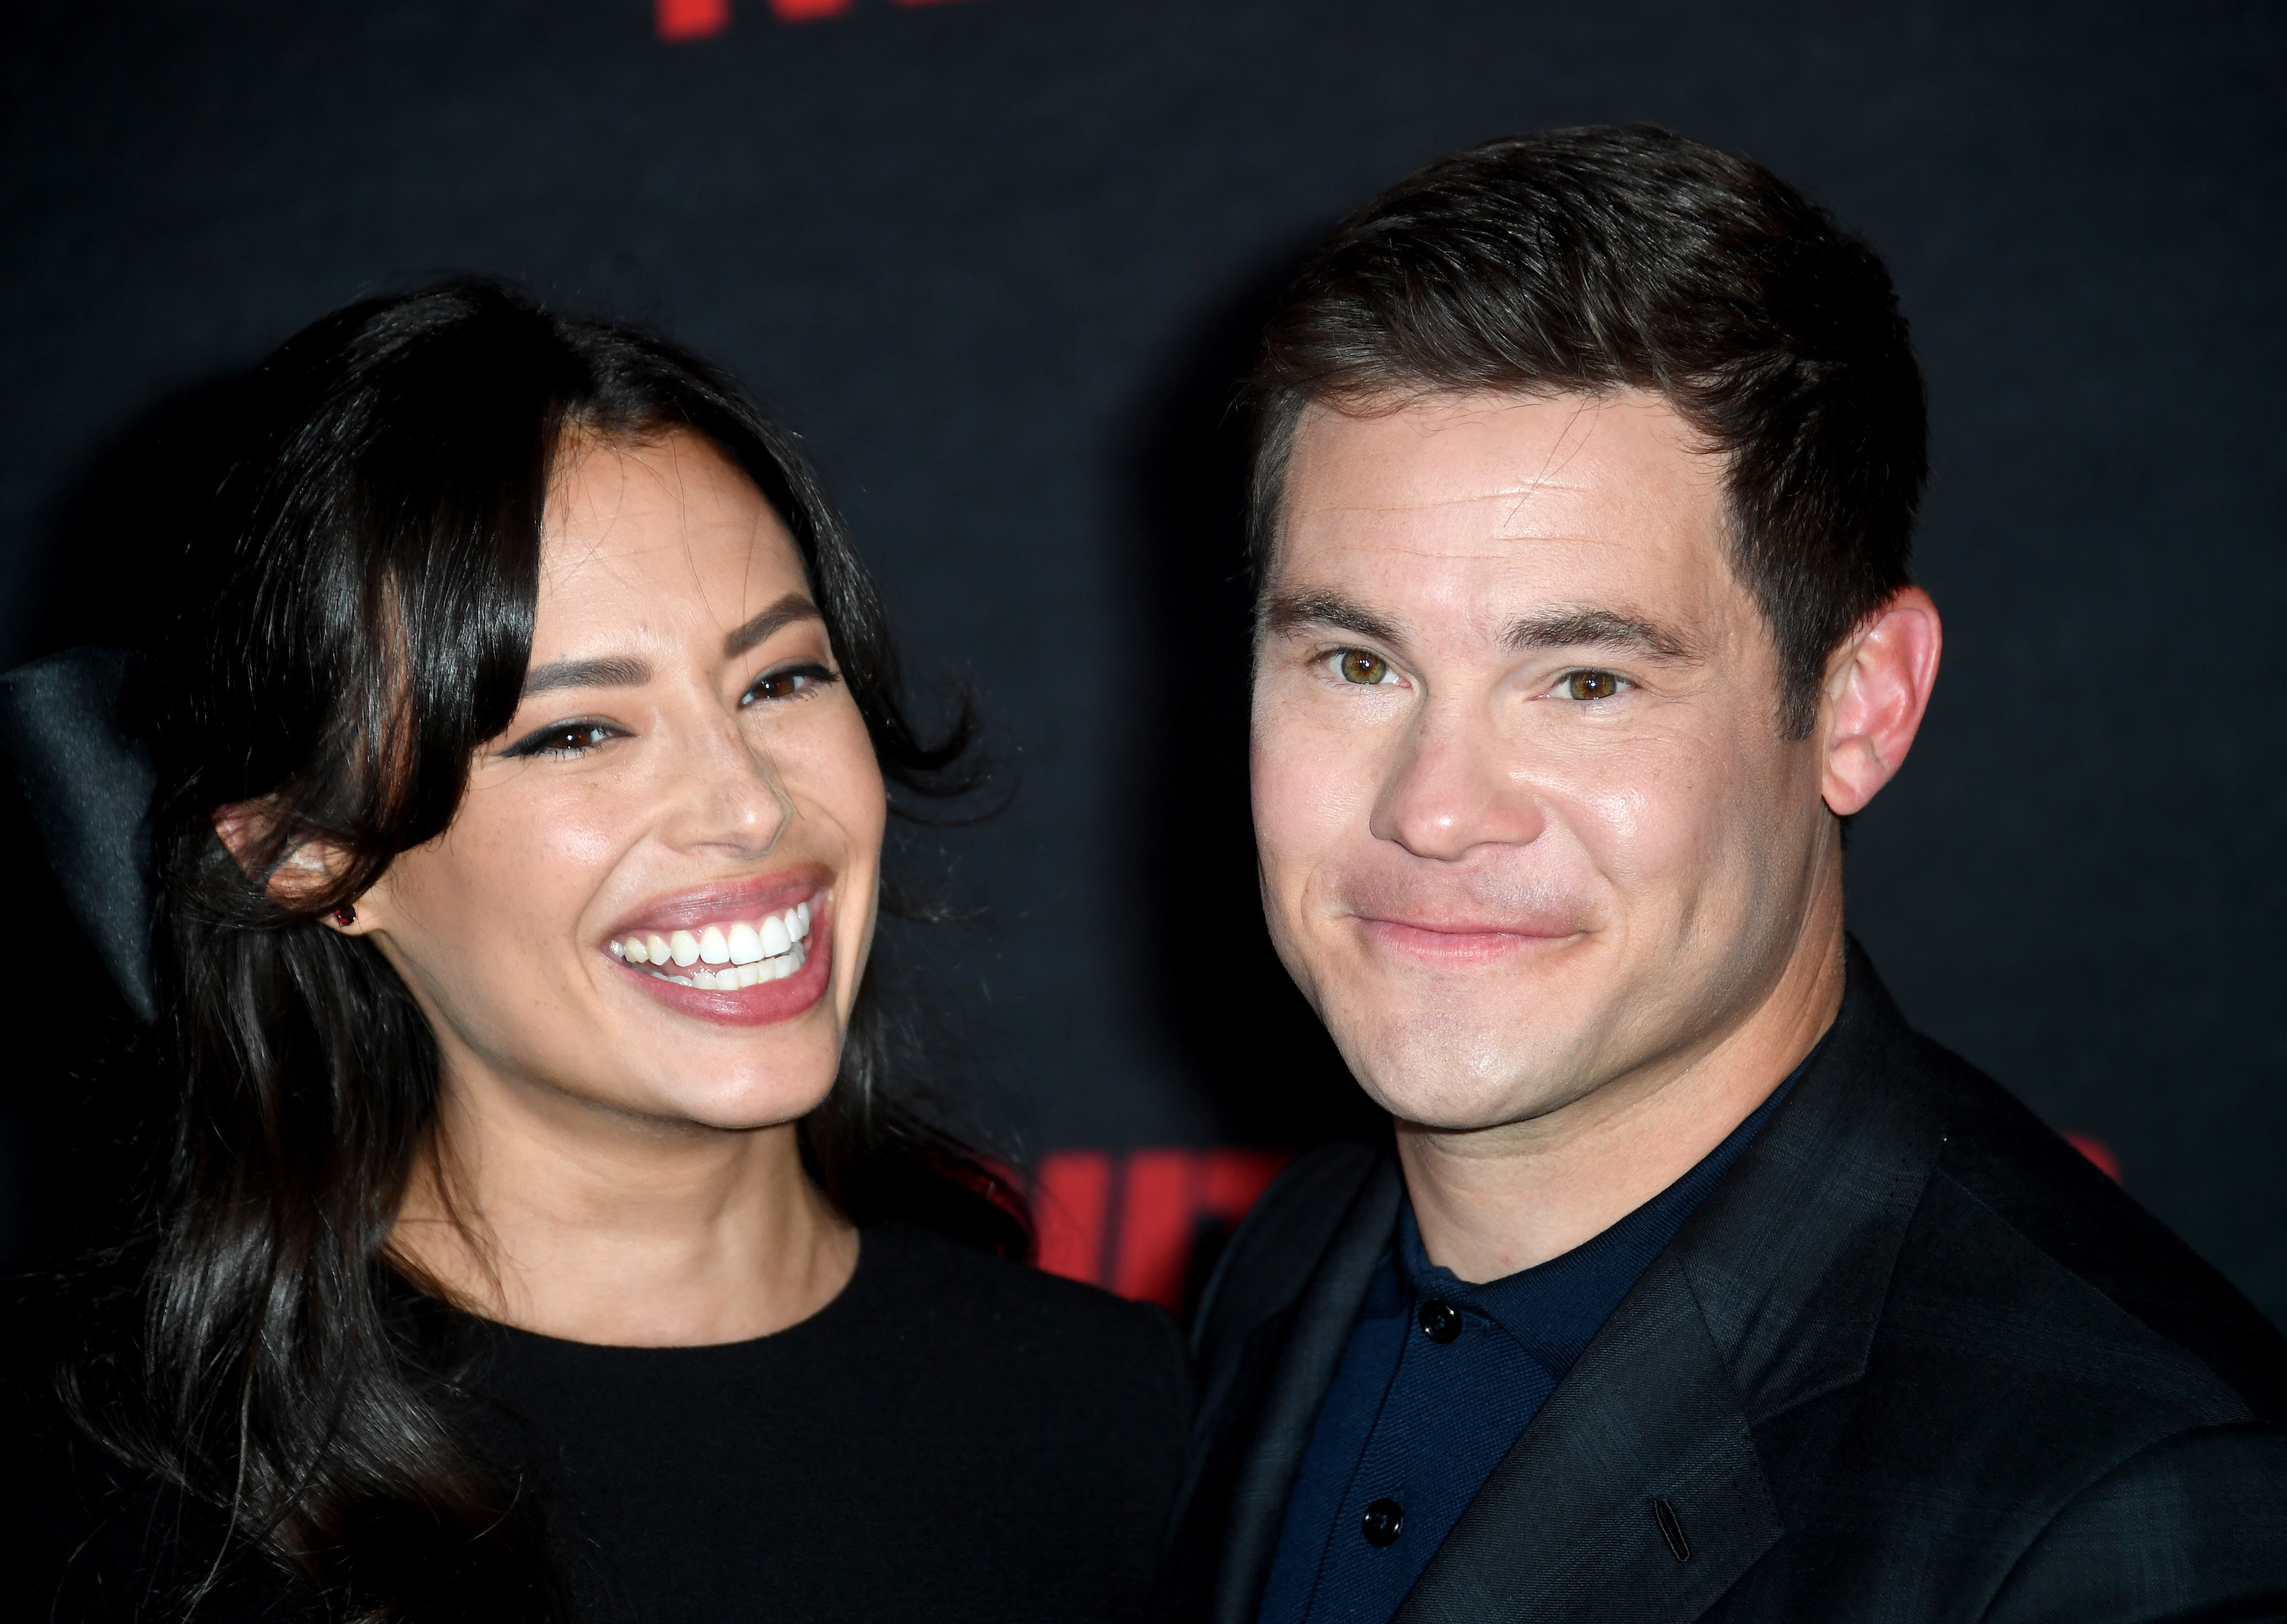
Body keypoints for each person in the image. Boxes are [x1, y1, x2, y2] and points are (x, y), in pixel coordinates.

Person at [1157, 126, 2287, 1623]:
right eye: (1356, 663)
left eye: (1584, 682)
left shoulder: (2126, 1508)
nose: (1434, 813)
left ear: (1860, 708)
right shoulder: (1289, 1267)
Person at [1, 282, 1189, 1622]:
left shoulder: (1135, 1419)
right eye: (577, 732)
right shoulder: (98, 1496)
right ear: (307, 855)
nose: (747, 806)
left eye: (780, 680)